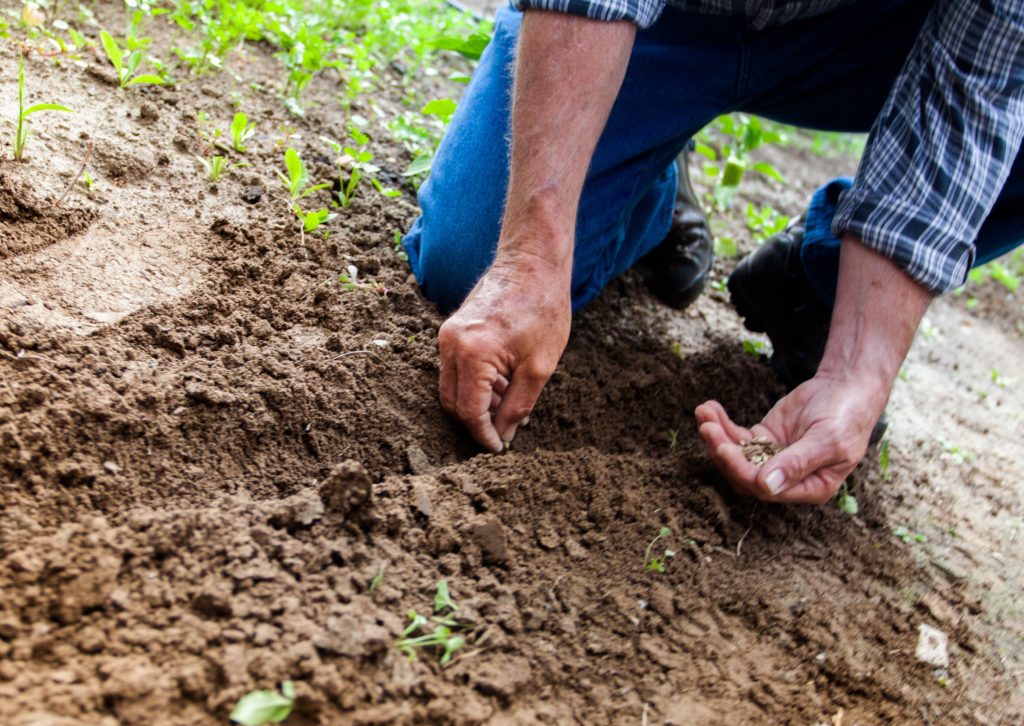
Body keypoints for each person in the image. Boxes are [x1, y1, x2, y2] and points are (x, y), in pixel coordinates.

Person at [402, 0, 1024, 504]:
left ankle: (822, 285)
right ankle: (650, 183)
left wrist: (857, 370)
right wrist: (530, 259)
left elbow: (978, 87)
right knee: (472, 261)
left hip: (867, 36)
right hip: (666, 19)